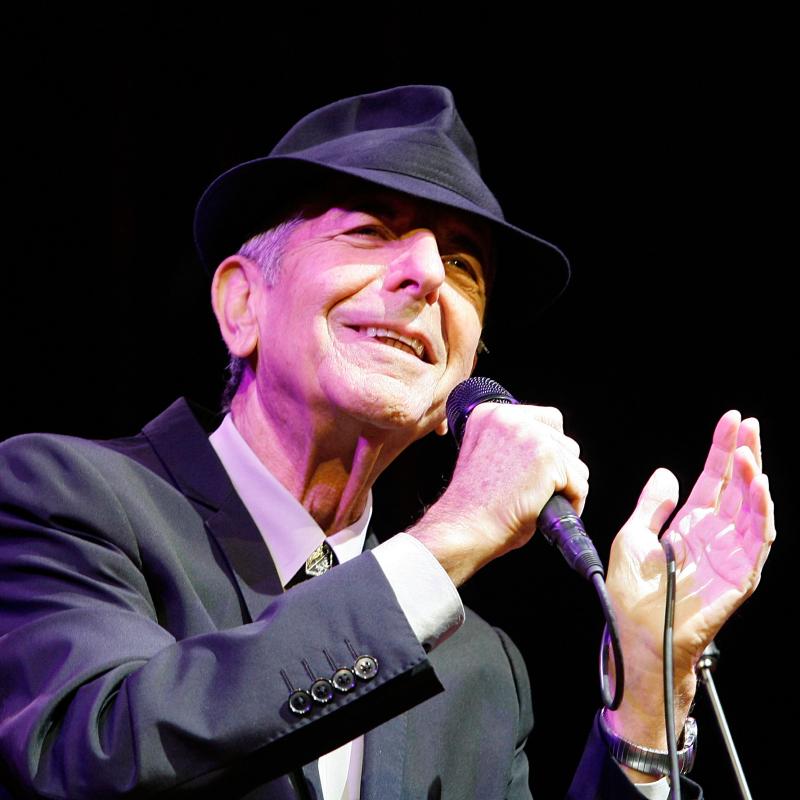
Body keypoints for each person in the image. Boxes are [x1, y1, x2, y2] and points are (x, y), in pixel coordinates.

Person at [0, 85, 774, 799]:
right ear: (242, 303)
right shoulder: (65, 496)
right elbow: (85, 754)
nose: (431, 274)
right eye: (372, 230)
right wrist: (448, 542)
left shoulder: (480, 670)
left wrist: (646, 699)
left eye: (465, 265)